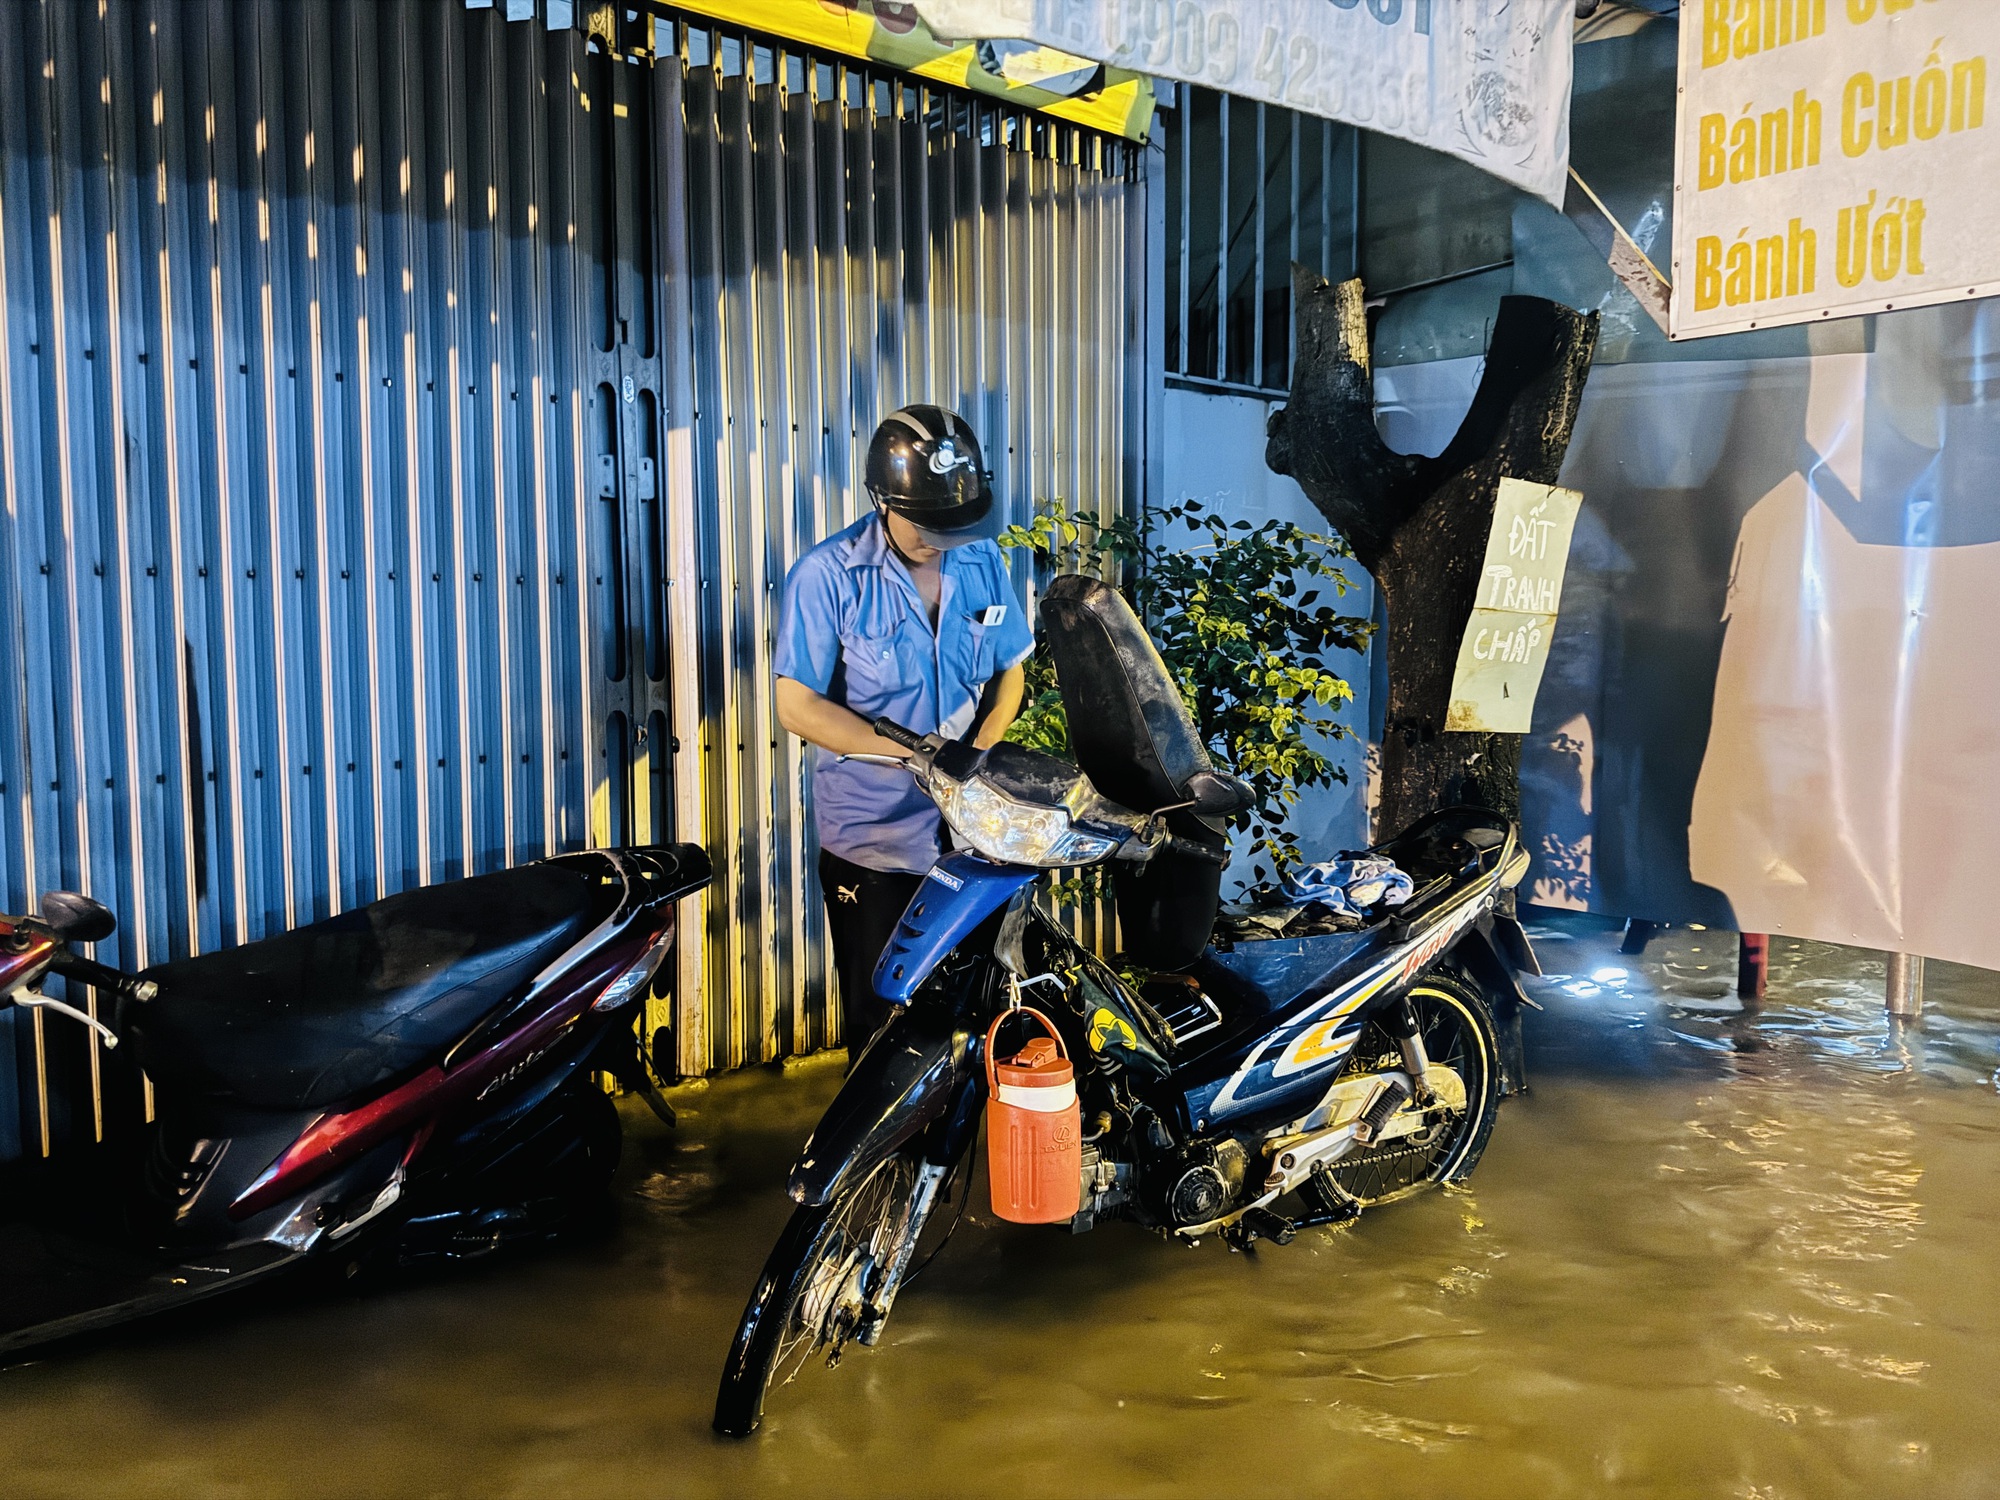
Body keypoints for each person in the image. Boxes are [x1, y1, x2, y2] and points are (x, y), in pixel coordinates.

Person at [773, 406, 1035, 1051]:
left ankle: (952, 1145)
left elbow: (1009, 675)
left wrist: (975, 754)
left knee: (977, 1011)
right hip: (874, 836)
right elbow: (797, 705)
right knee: (883, 1021)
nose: (941, 540)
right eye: (925, 525)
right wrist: (912, 756)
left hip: (974, 828)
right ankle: (886, 1153)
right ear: (882, 501)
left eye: (954, 524)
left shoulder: (981, 561)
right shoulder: (826, 576)